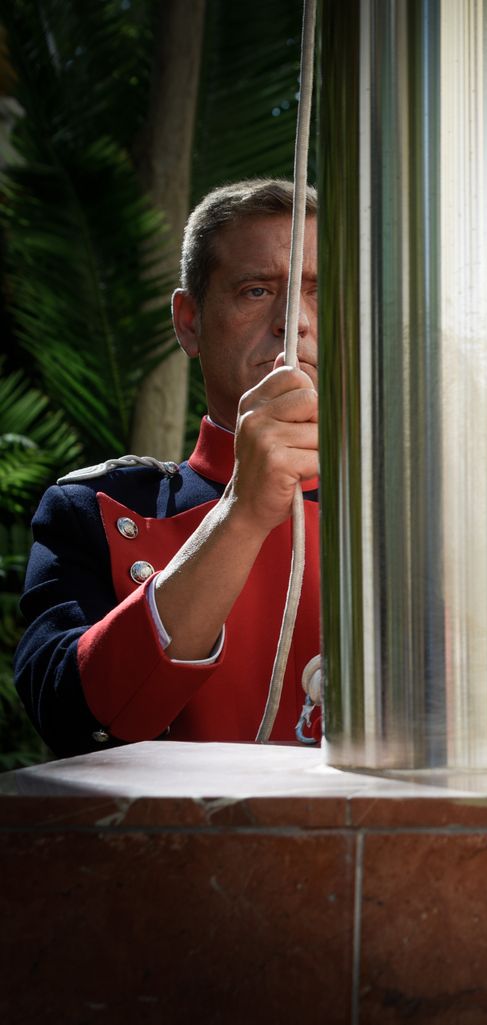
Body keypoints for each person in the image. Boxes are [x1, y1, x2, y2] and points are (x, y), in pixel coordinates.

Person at [15, 179, 322, 756]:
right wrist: (241, 513)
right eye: (256, 290)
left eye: (319, 291)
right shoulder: (94, 509)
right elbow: (71, 720)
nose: (294, 322)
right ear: (189, 321)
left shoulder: (427, 513)